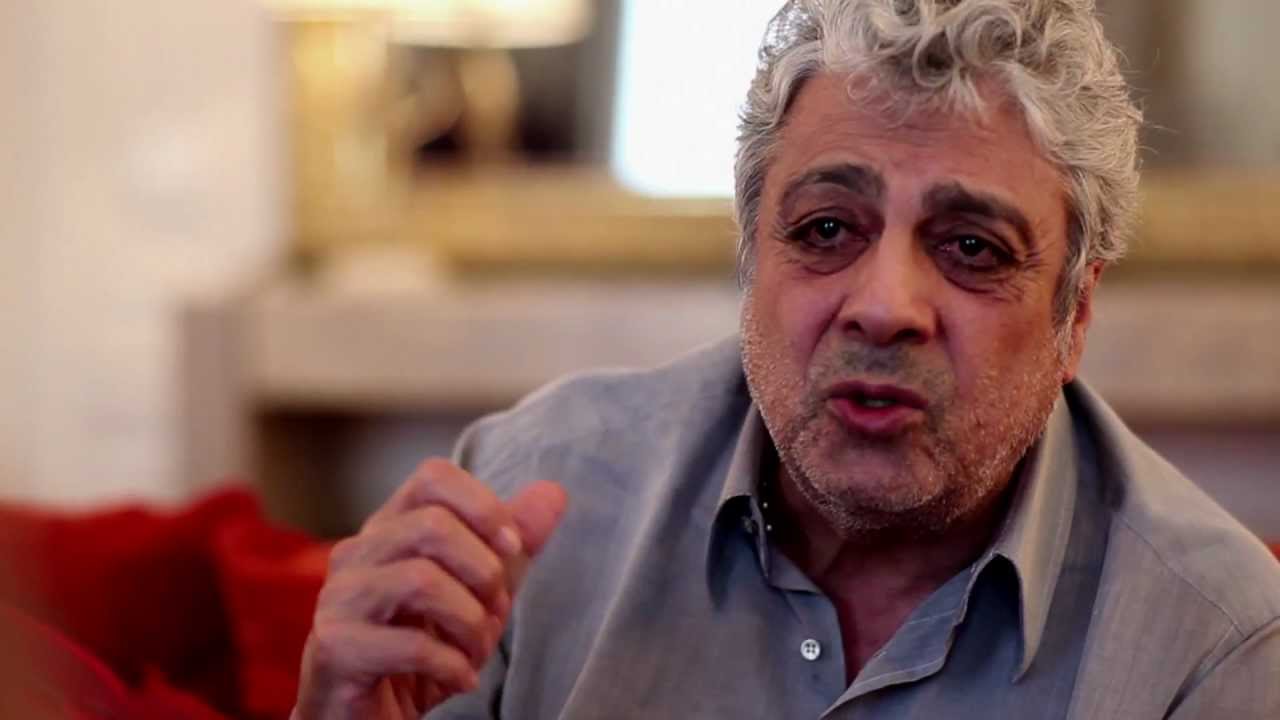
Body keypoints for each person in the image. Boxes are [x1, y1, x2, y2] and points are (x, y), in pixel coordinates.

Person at [291, 1, 1280, 718]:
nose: (884, 308)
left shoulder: (1210, 643)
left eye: (972, 248)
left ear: (1075, 313)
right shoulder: (527, 500)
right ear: (749, 258)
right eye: (825, 229)